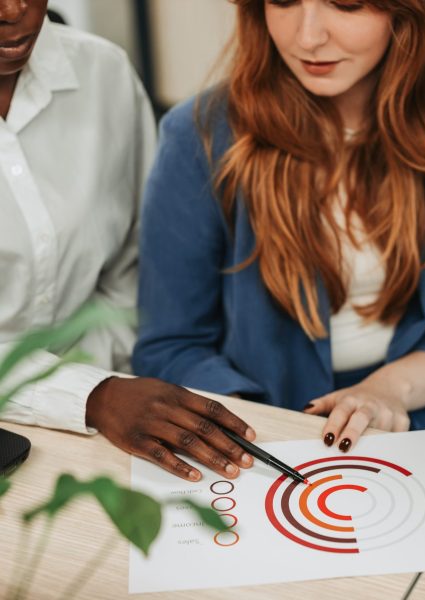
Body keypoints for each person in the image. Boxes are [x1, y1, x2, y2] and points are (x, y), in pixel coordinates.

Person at [133, 0, 425, 451]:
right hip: (266, 428)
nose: (308, 37)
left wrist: (390, 389)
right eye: (283, 1)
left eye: (346, 5)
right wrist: (254, 429)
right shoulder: (199, 135)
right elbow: (171, 346)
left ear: (406, 11)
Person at [0, 0, 257, 482]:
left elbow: (139, 262)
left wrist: (121, 381)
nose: (12, 9)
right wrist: (89, 393)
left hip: (116, 406)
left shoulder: (104, 73)